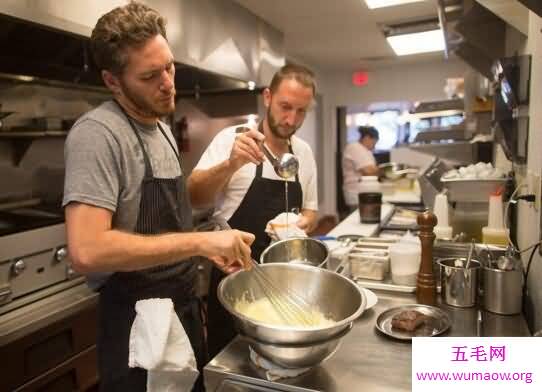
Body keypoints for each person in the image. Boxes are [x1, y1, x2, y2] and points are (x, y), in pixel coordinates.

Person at [62, 3, 255, 391]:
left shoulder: (159, 125)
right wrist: (199, 242)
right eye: (151, 75)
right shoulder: (97, 135)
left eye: (169, 66)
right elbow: (86, 250)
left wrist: (229, 167)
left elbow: (179, 201)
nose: (167, 83)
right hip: (137, 327)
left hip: (180, 308)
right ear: (113, 81)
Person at [187, 64, 319, 358]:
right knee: (230, 365)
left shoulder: (303, 153)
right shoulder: (231, 139)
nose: (291, 119)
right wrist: (231, 163)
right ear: (268, 97)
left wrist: (296, 225)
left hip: (286, 283)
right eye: (286, 107)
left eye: (301, 111)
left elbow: (311, 212)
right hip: (234, 278)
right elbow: (194, 196)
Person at [342, 125, 380, 208]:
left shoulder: (366, 150)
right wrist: (382, 170)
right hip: (356, 193)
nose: (374, 146)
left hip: (364, 192)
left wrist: (377, 170)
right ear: (367, 138)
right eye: (374, 142)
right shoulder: (355, 147)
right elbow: (368, 171)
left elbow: (373, 169)